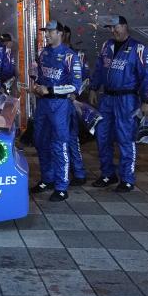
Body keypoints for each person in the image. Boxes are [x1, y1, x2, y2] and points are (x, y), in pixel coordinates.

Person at [89, 15, 148, 192]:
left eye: (115, 27)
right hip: (107, 99)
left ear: (125, 26)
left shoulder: (138, 49)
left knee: (126, 139)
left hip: (127, 100)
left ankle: (127, 179)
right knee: (102, 137)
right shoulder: (106, 46)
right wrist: (94, 88)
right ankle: (107, 174)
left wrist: (146, 100)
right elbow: (99, 68)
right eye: (110, 28)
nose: (112, 31)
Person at [31, 21, 85, 202]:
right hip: (43, 105)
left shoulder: (70, 56)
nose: (47, 34)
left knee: (59, 144)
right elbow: (38, 75)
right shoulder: (44, 52)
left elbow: (76, 87)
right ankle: (48, 179)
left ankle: (62, 186)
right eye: (46, 31)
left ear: (60, 33)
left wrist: (52, 90)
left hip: (60, 106)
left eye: (51, 31)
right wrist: (36, 86)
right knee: (41, 142)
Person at [62, 25, 89, 185]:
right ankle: (59, 173)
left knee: (72, 137)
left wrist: (75, 94)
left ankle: (78, 173)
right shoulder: (48, 53)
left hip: (70, 102)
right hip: (53, 102)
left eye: (64, 32)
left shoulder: (78, 54)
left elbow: (85, 78)